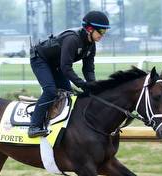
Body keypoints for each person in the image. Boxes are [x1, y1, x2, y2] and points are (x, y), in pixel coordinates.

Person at [28, 10, 110, 138]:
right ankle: (34, 125)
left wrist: (93, 86)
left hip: (55, 64)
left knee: (67, 93)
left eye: (105, 32)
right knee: (50, 91)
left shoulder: (91, 46)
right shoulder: (72, 40)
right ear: (89, 28)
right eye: (101, 31)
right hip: (40, 59)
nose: (102, 35)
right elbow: (66, 68)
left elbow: (88, 70)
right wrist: (83, 85)